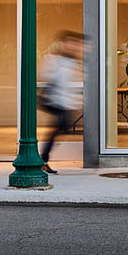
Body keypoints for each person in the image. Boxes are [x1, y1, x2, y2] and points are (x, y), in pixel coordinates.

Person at [38, 31, 85, 165]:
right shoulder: (53, 59)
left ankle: (43, 159)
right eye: (71, 43)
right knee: (59, 128)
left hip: (64, 102)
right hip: (55, 101)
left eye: (76, 44)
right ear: (63, 44)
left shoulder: (73, 61)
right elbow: (47, 76)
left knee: (61, 128)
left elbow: (72, 83)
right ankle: (43, 159)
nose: (74, 46)